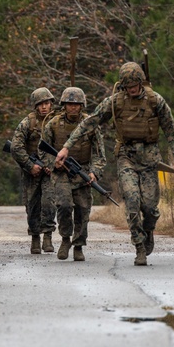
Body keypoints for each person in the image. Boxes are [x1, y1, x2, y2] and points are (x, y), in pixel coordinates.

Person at [55, 62, 174, 266]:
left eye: (134, 85)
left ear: (140, 82)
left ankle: (148, 230)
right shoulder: (115, 102)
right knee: (132, 201)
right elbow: (90, 122)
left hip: (150, 158)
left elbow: (172, 131)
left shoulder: (155, 100)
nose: (131, 89)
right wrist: (66, 147)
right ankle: (139, 246)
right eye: (128, 86)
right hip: (126, 157)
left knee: (150, 207)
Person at [40, 87, 105, 262]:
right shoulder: (53, 124)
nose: (73, 107)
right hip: (61, 173)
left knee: (83, 209)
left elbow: (99, 154)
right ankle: (65, 239)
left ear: (82, 105)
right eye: (69, 104)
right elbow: (43, 151)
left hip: (82, 171)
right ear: (64, 105)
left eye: (76, 104)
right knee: (64, 205)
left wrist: (94, 172)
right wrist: (54, 163)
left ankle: (78, 245)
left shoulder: (90, 124)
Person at [10, 87, 56, 254]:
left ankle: (48, 236)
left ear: (51, 104)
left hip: (51, 171)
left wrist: (53, 165)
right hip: (32, 171)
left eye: (47, 103)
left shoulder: (57, 122)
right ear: (35, 106)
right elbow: (16, 147)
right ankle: (35, 236)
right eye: (40, 104)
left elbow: (65, 146)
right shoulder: (27, 123)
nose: (44, 107)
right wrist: (30, 165)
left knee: (49, 203)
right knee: (32, 205)